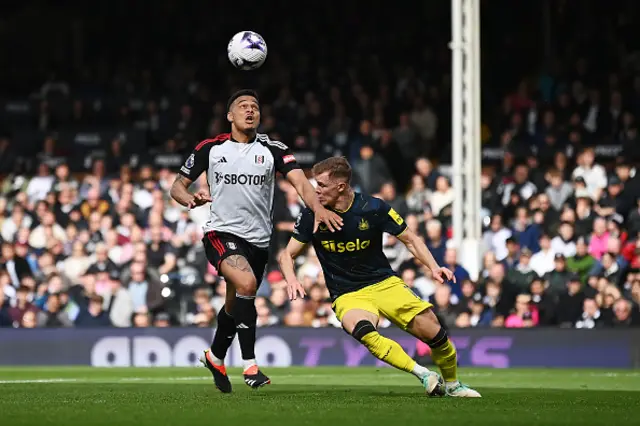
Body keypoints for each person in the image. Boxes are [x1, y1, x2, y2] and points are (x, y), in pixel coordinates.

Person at [170, 89, 342, 393]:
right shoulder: (211, 148)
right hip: (221, 233)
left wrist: (317, 209)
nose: (250, 110)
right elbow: (177, 187)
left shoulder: (272, 149)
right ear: (230, 116)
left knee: (235, 304)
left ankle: (214, 356)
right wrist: (191, 199)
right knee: (248, 285)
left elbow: (301, 182)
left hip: (259, 241)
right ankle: (250, 364)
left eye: (255, 107)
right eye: (243, 106)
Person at [278, 157, 480, 397]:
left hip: (384, 283)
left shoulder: (373, 208)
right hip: (347, 293)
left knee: (435, 334)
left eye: (321, 185)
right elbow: (286, 255)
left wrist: (434, 267)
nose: (315, 190)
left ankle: (454, 385)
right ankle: (424, 374)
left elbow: (410, 239)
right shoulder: (312, 215)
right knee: (363, 331)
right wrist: (291, 279)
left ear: (341, 186)